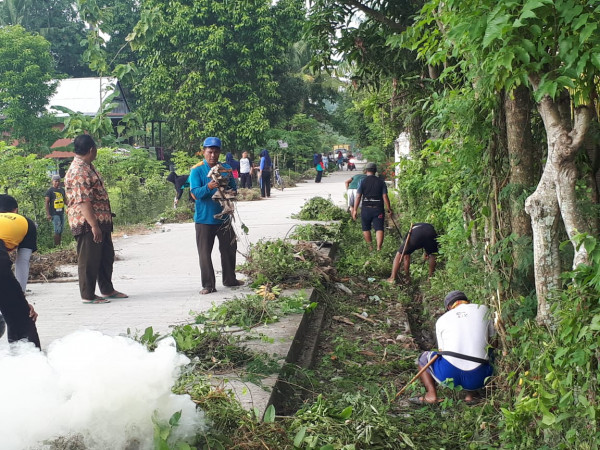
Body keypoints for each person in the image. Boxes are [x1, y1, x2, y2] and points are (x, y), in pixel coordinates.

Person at [64, 134, 128, 304]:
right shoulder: (78, 170)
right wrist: (94, 225)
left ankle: (107, 289)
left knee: (106, 256)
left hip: (101, 221)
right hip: (87, 223)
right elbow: (83, 201)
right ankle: (88, 295)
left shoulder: (88, 166)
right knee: (89, 259)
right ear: (91, 149)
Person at [409, 291, 495, 405]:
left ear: (449, 307)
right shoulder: (483, 309)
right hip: (479, 377)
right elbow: (494, 343)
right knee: (490, 352)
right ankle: (470, 395)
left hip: (449, 374)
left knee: (423, 358)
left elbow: (442, 351)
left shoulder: (442, 319)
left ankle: (431, 395)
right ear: (467, 301)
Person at [189, 137, 242, 295]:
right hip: (204, 219)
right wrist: (209, 186)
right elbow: (195, 194)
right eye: (210, 151)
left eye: (216, 152)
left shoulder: (226, 168)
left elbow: (234, 188)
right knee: (205, 253)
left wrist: (229, 193)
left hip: (224, 218)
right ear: (204, 152)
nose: (213, 155)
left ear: (219, 153)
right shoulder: (197, 170)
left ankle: (230, 279)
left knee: (229, 248)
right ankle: (208, 285)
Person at [0, 207, 41, 348]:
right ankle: (26, 359)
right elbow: (22, 262)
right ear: (15, 211)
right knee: (20, 317)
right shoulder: (28, 224)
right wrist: (20, 299)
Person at [0, 194, 37, 293]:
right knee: (22, 260)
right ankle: (20, 292)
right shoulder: (26, 222)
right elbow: (22, 261)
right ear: (15, 211)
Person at [351, 162, 392, 251]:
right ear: (375, 171)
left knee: (366, 228)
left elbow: (358, 196)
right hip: (378, 209)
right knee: (379, 228)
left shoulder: (362, 181)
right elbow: (385, 196)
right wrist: (389, 209)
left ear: (366, 171)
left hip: (366, 209)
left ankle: (370, 248)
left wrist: (354, 210)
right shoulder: (381, 182)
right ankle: (378, 248)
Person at [45, 174, 67, 246]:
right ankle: (57, 246)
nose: (57, 183)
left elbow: (65, 201)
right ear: (52, 182)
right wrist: (48, 214)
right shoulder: (50, 191)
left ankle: (59, 245)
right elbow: (47, 203)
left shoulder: (62, 190)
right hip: (54, 213)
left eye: (58, 181)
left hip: (61, 212)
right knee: (57, 230)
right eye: (55, 181)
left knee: (61, 230)